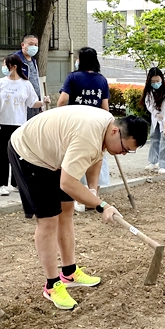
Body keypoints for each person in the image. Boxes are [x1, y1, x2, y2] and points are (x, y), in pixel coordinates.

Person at [7, 105, 149, 310]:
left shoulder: (106, 125)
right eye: (125, 149)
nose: (124, 154)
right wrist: (102, 205)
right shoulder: (88, 136)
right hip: (30, 153)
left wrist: (92, 190)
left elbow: (97, 157)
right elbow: (67, 183)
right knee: (48, 220)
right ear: (116, 132)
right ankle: (52, 285)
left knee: (67, 211)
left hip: (56, 156)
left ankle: (69, 272)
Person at [57, 46, 112, 212]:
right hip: (96, 126)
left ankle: (79, 198)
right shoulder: (101, 80)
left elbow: (62, 101)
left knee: (75, 160)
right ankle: (93, 195)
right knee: (96, 159)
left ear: (79, 60)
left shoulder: (72, 77)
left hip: (76, 125)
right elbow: (105, 107)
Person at [0, 53, 49, 197]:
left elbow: (32, 103)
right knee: (1, 155)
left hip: (19, 124)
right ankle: (0, 183)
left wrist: (43, 102)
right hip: (2, 123)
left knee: (19, 155)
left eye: (6, 65)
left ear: (14, 66)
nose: (4, 68)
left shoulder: (26, 84)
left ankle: (17, 182)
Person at [141, 67, 165, 174]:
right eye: (153, 81)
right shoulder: (149, 89)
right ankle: (153, 161)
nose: (155, 83)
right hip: (156, 116)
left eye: (157, 81)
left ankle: (163, 165)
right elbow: (148, 103)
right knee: (154, 137)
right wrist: (156, 113)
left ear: (161, 79)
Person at [15, 34, 45, 120]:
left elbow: (36, 81)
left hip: (35, 101)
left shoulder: (33, 61)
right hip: (23, 101)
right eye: (31, 44)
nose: (34, 47)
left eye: (36, 45)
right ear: (23, 45)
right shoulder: (16, 59)